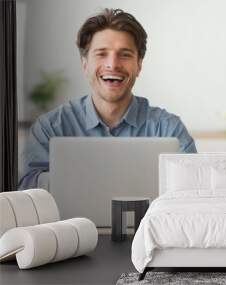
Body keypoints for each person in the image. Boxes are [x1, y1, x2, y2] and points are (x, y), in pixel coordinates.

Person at [18, 8, 196, 190]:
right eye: (101, 53)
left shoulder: (169, 129)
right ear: (85, 64)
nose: (112, 64)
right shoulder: (50, 128)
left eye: (125, 54)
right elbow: (27, 190)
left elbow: (193, 189)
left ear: (139, 66)